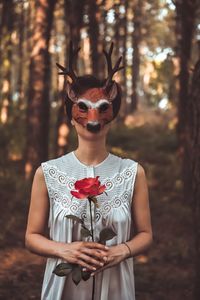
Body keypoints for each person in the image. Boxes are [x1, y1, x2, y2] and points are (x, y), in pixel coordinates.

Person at [25, 42, 153, 300]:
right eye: (83, 107)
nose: (92, 118)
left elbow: (146, 234)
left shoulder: (132, 173)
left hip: (116, 289)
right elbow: (31, 236)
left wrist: (123, 250)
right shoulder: (47, 173)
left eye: (102, 107)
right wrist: (64, 250)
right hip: (63, 290)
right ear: (71, 116)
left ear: (112, 114)